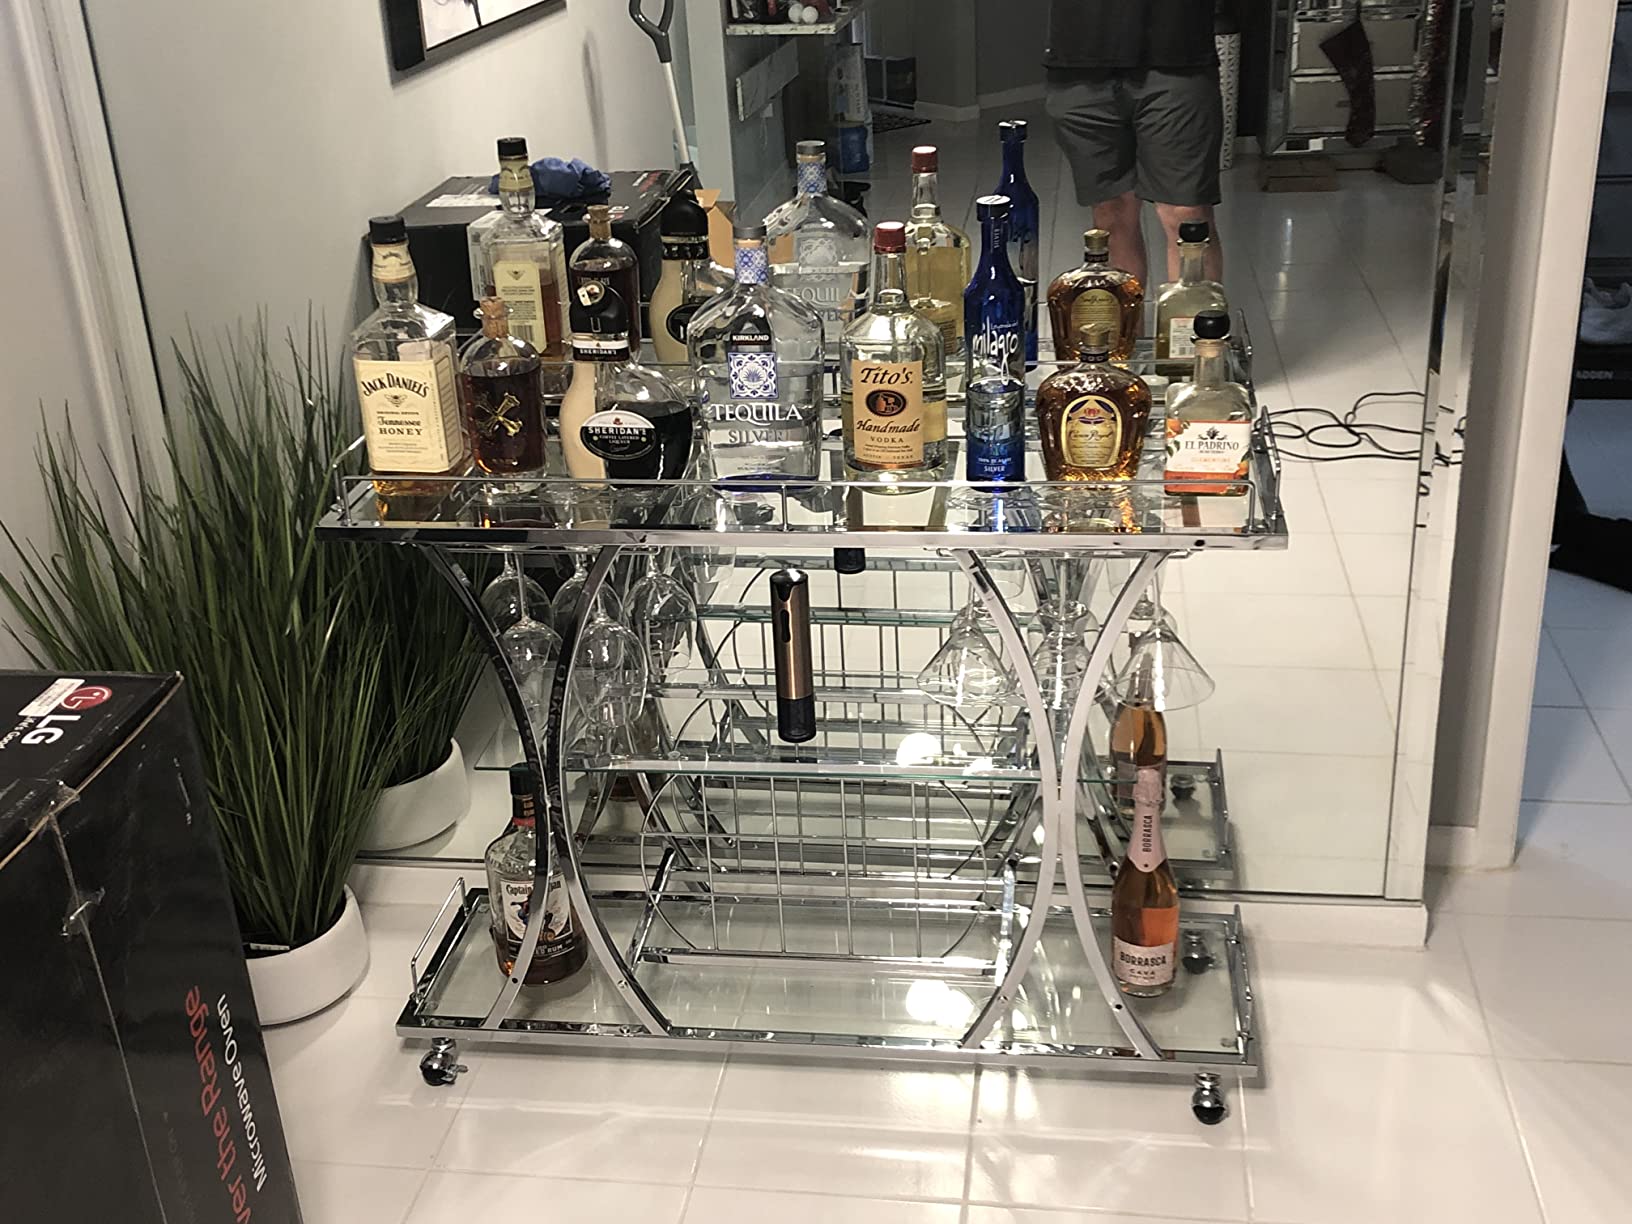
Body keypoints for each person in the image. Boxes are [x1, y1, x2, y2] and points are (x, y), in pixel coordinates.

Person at [1044, 0, 1224, 288]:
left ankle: (1194, 318)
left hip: (1178, 53)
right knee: (1110, 214)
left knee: (1187, 218)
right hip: (1080, 58)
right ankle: (1126, 319)